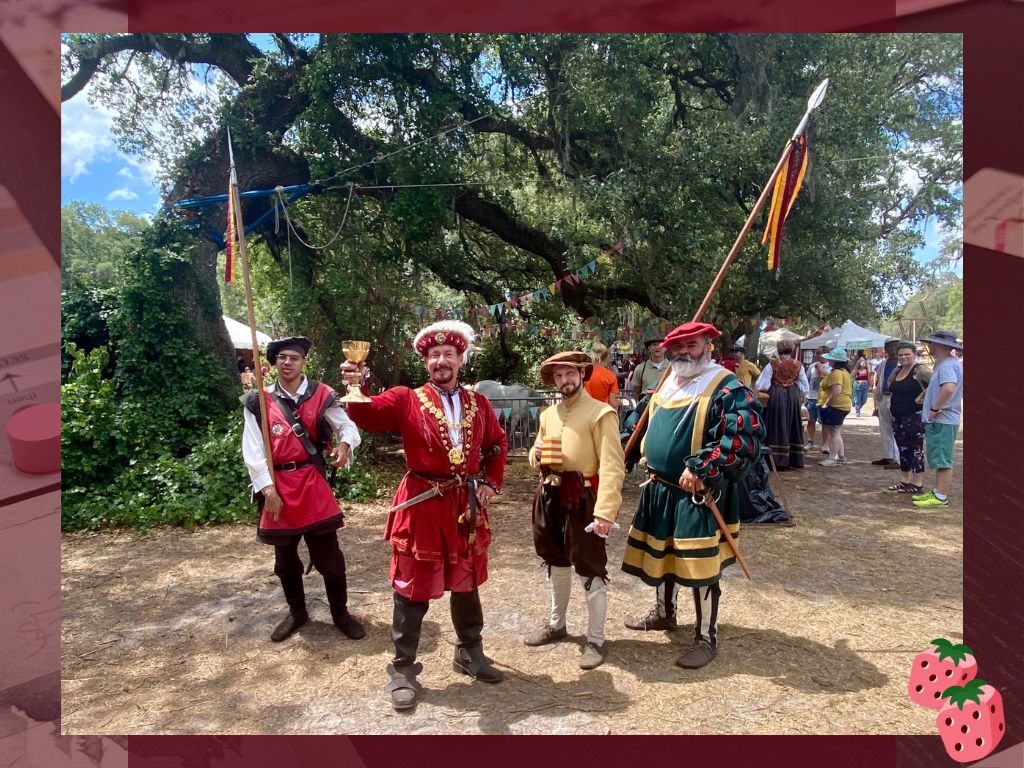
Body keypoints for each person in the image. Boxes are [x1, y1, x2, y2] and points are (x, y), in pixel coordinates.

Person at [340, 321, 508, 711]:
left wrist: (490, 483)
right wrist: (356, 385)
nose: (441, 361)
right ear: (426, 361)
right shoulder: (406, 398)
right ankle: (402, 669)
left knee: (466, 583)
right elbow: (369, 415)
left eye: (449, 354)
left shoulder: (479, 404)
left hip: (463, 504)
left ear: (461, 359)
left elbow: (497, 444)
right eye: (434, 356)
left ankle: (470, 653)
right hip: (423, 500)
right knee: (412, 586)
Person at [621, 321, 764, 669]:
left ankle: (706, 636)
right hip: (659, 490)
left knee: (700, 567)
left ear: (709, 347)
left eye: (693, 345)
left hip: (699, 493)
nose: (685, 352)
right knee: (664, 554)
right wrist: (626, 449)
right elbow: (638, 423)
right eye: (679, 346)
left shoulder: (726, 387)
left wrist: (703, 468)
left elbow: (741, 438)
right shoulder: (665, 384)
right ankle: (664, 613)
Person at [241, 336, 366, 644]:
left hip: (311, 482)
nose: (287, 362)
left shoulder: (321, 394)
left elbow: (347, 426)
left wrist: (346, 445)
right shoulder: (259, 400)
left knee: (330, 558)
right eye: (282, 357)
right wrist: (266, 488)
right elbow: (253, 447)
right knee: (285, 561)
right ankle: (297, 614)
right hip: (278, 486)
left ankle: (341, 614)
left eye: (293, 358)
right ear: (273, 363)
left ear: (303, 363)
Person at [525, 351, 626, 670]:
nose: (564, 380)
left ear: (582, 374)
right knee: (555, 561)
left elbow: (613, 466)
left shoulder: (601, 413)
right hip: (549, 495)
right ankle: (557, 625)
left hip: (583, 498)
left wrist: (605, 512)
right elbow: (535, 454)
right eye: (558, 376)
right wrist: (535, 454)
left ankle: (596, 639)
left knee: (589, 566)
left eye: (570, 373)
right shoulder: (548, 415)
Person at [913, 331, 964, 508]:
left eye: (932, 343)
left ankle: (941, 496)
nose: (929, 347)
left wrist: (935, 408)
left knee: (943, 459)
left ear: (940, 346)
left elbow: (949, 388)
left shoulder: (947, 365)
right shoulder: (944, 364)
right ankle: (937, 491)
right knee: (939, 457)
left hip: (943, 418)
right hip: (941, 418)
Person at [755, 340, 808, 470]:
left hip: (776, 396)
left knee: (776, 424)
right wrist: (794, 388)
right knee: (792, 423)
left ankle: (776, 459)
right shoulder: (798, 365)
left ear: (779, 350)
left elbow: (763, 385)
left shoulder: (772, 364)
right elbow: (804, 386)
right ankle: (793, 459)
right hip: (792, 396)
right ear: (791, 350)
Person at [886, 342, 930, 494]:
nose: (903, 357)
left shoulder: (920, 369)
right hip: (897, 416)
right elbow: (889, 384)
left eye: (907, 354)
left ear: (914, 354)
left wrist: (923, 397)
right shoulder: (898, 369)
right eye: (901, 355)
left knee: (916, 449)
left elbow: (936, 385)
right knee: (902, 449)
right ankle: (905, 480)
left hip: (914, 416)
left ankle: (917, 483)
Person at [817, 348, 853, 467]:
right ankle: (841, 456)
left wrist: (827, 403)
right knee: (836, 431)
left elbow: (837, 391)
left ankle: (832, 458)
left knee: (833, 432)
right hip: (842, 405)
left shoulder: (837, 373)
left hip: (836, 406)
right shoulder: (844, 372)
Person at [871, 339, 901, 467]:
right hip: (883, 398)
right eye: (890, 346)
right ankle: (888, 456)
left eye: (895, 346)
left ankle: (898, 459)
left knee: (897, 429)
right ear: (886, 348)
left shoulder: (904, 364)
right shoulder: (884, 363)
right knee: (885, 428)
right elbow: (879, 381)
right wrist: (876, 403)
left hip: (897, 399)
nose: (893, 349)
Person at [805, 346, 831, 453]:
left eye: (819, 353)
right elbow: (806, 380)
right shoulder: (811, 366)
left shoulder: (830, 367)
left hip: (823, 398)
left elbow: (826, 378)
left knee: (825, 423)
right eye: (816, 353)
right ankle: (810, 441)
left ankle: (826, 445)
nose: (816, 355)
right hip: (811, 397)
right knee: (811, 421)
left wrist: (820, 368)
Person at [583, 342, 621, 408]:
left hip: (586, 412)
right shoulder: (611, 376)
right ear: (606, 358)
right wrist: (620, 403)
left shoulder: (584, 373)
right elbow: (612, 403)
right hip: (603, 414)